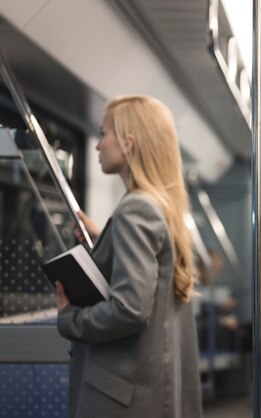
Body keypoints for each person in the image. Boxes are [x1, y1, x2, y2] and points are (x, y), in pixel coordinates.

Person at [55, 95, 202, 418]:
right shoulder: (160, 206)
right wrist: (104, 239)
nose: (97, 145)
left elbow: (129, 310)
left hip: (125, 397)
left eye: (104, 134)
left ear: (129, 142)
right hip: (152, 390)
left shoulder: (136, 208)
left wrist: (70, 319)